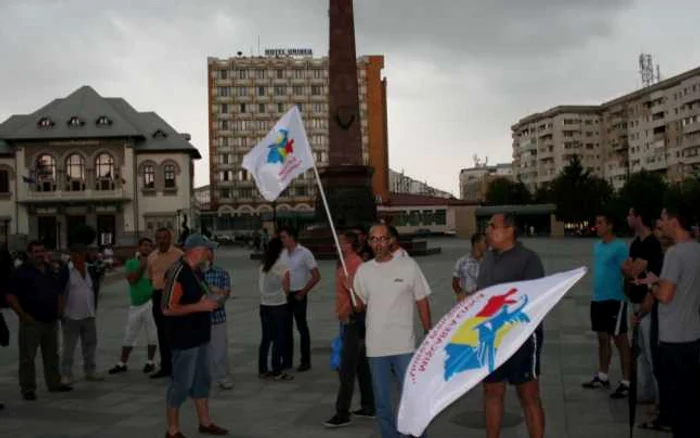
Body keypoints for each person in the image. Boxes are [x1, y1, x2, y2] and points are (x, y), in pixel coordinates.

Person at [353, 224, 432, 438]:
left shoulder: (408, 265)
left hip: (404, 345)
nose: (379, 243)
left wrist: (429, 332)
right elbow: (360, 305)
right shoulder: (364, 270)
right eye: (374, 239)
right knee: (382, 403)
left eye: (383, 239)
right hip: (376, 347)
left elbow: (422, 300)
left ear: (390, 241)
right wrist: (347, 287)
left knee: (413, 399)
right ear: (369, 242)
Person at [477, 213, 545, 438]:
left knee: (528, 395)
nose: (487, 230)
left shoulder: (529, 259)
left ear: (509, 230)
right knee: (492, 391)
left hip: (522, 339)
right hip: (491, 338)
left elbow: (535, 299)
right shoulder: (486, 260)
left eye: (492, 226)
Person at [639, 205, 700, 438]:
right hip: (693, 336)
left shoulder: (675, 253)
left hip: (673, 339)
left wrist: (654, 284)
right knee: (692, 401)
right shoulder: (697, 250)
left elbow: (665, 295)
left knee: (678, 405)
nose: (660, 224)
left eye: (663, 219)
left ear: (674, 222)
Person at [162, 234, 228, 437]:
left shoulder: (196, 271)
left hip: (201, 335)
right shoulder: (177, 272)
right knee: (181, 384)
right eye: (208, 249)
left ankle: (205, 422)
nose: (210, 254)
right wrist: (200, 306)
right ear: (197, 250)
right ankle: (172, 430)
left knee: (202, 380)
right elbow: (166, 308)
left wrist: (217, 295)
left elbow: (204, 294)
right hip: (184, 339)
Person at [6, 241, 72, 400]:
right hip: (31, 321)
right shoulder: (22, 272)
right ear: (29, 254)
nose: (40, 254)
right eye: (36, 252)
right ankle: (28, 388)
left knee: (52, 355)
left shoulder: (50, 270)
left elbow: (58, 291)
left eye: (42, 251)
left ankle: (54, 383)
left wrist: (59, 311)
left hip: (50, 320)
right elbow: (10, 295)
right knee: (28, 357)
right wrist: (22, 315)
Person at [324, 231, 375, 428]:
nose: (337, 244)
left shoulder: (354, 264)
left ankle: (342, 412)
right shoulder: (347, 262)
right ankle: (369, 405)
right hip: (351, 319)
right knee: (361, 364)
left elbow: (359, 297)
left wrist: (347, 312)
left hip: (354, 320)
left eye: (340, 242)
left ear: (348, 244)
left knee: (346, 368)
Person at [582, 214, 632, 400]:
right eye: (596, 222)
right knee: (602, 338)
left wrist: (627, 294)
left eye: (600, 223)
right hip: (598, 299)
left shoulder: (619, 247)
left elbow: (627, 272)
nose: (597, 226)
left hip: (614, 299)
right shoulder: (598, 246)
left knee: (621, 340)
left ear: (610, 226)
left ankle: (626, 382)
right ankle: (603, 376)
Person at [621, 208, 664, 406]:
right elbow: (629, 269)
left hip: (648, 301)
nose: (628, 218)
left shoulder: (652, 243)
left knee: (650, 348)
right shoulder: (636, 243)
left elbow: (633, 269)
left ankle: (660, 398)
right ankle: (646, 392)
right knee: (640, 349)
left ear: (639, 217)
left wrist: (630, 268)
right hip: (634, 300)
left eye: (630, 215)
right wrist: (630, 268)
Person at [109, 238, 158, 375]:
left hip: (150, 302)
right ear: (139, 247)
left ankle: (150, 361)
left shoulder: (154, 263)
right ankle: (122, 362)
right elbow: (132, 280)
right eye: (145, 245)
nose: (147, 248)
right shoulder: (131, 263)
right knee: (130, 333)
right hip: (136, 304)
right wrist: (142, 265)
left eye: (150, 246)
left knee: (152, 334)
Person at [60, 244, 104, 384]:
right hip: (71, 315)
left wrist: (94, 308)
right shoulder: (65, 271)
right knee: (69, 347)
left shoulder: (90, 269)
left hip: (89, 314)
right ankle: (66, 373)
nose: (77, 256)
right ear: (70, 255)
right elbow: (60, 294)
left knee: (90, 344)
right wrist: (61, 314)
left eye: (80, 253)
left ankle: (90, 371)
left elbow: (94, 289)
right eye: (74, 253)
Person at [279, 226, 320, 372]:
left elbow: (316, 276)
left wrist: (303, 293)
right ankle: (287, 360)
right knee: (286, 329)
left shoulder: (304, 253)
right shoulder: (282, 254)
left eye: (284, 237)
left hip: (299, 294)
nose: (282, 240)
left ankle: (305, 361)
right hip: (285, 295)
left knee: (302, 327)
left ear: (291, 237)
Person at [148, 228, 184, 379]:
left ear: (170, 239)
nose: (162, 240)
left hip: (175, 296)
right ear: (155, 240)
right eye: (159, 238)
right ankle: (166, 367)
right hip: (158, 296)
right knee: (162, 332)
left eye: (165, 237)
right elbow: (151, 277)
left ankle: (180, 366)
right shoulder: (152, 256)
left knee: (177, 332)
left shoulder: (179, 255)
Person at [258, 237, 294, 381]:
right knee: (279, 339)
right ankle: (277, 370)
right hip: (279, 306)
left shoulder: (262, 266)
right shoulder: (282, 267)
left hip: (264, 305)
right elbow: (287, 288)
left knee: (266, 339)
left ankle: (262, 369)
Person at [204, 249, 234, 390]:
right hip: (198, 320)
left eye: (211, 254)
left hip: (217, 318)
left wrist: (212, 294)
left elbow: (224, 296)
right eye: (205, 254)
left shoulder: (221, 273)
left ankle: (222, 377)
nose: (209, 257)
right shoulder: (193, 274)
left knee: (220, 350)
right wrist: (214, 294)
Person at [452, 232, 487, 302]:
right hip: (466, 302)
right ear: (477, 243)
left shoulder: (488, 262)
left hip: (483, 301)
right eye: (485, 242)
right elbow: (455, 283)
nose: (488, 245)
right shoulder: (462, 261)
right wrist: (460, 293)